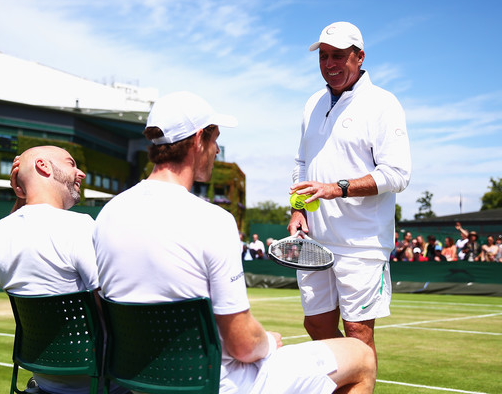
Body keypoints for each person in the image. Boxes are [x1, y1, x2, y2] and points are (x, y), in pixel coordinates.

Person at [94, 91, 376, 393]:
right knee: (360, 356)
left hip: (140, 383)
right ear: (199, 139)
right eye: (215, 140)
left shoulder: (107, 215)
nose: (216, 151)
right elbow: (243, 345)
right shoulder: (212, 221)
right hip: (215, 383)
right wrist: (267, 341)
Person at [288, 21, 411, 364]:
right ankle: (349, 382)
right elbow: (302, 162)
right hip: (315, 241)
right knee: (315, 324)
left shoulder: (383, 103)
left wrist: (337, 188)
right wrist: (297, 209)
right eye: (324, 56)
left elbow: (398, 174)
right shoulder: (312, 102)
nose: (329, 64)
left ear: (359, 57)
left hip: (362, 243)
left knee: (358, 332)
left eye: (339, 56)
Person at [0, 145, 128, 394]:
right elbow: (113, 310)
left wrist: (22, 193)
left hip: (44, 380)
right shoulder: (80, 226)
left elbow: (22, 223)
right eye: (71, 163)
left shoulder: (0, 231)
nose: (81, 173)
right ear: (43, 166)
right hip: (102, 382)